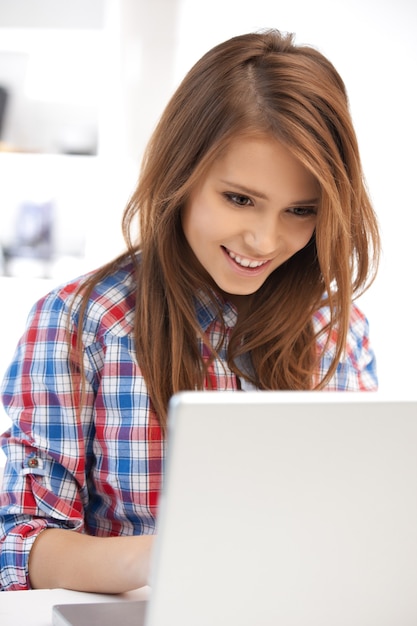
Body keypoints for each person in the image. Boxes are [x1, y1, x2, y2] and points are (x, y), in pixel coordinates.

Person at [0, 29, 380, 593]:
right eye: (239, 198)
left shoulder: (337, 333)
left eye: (301, 210)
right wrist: (167, 556)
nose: (264, 239)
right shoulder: (81, 324)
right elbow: (20, 543)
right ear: (182, 174)